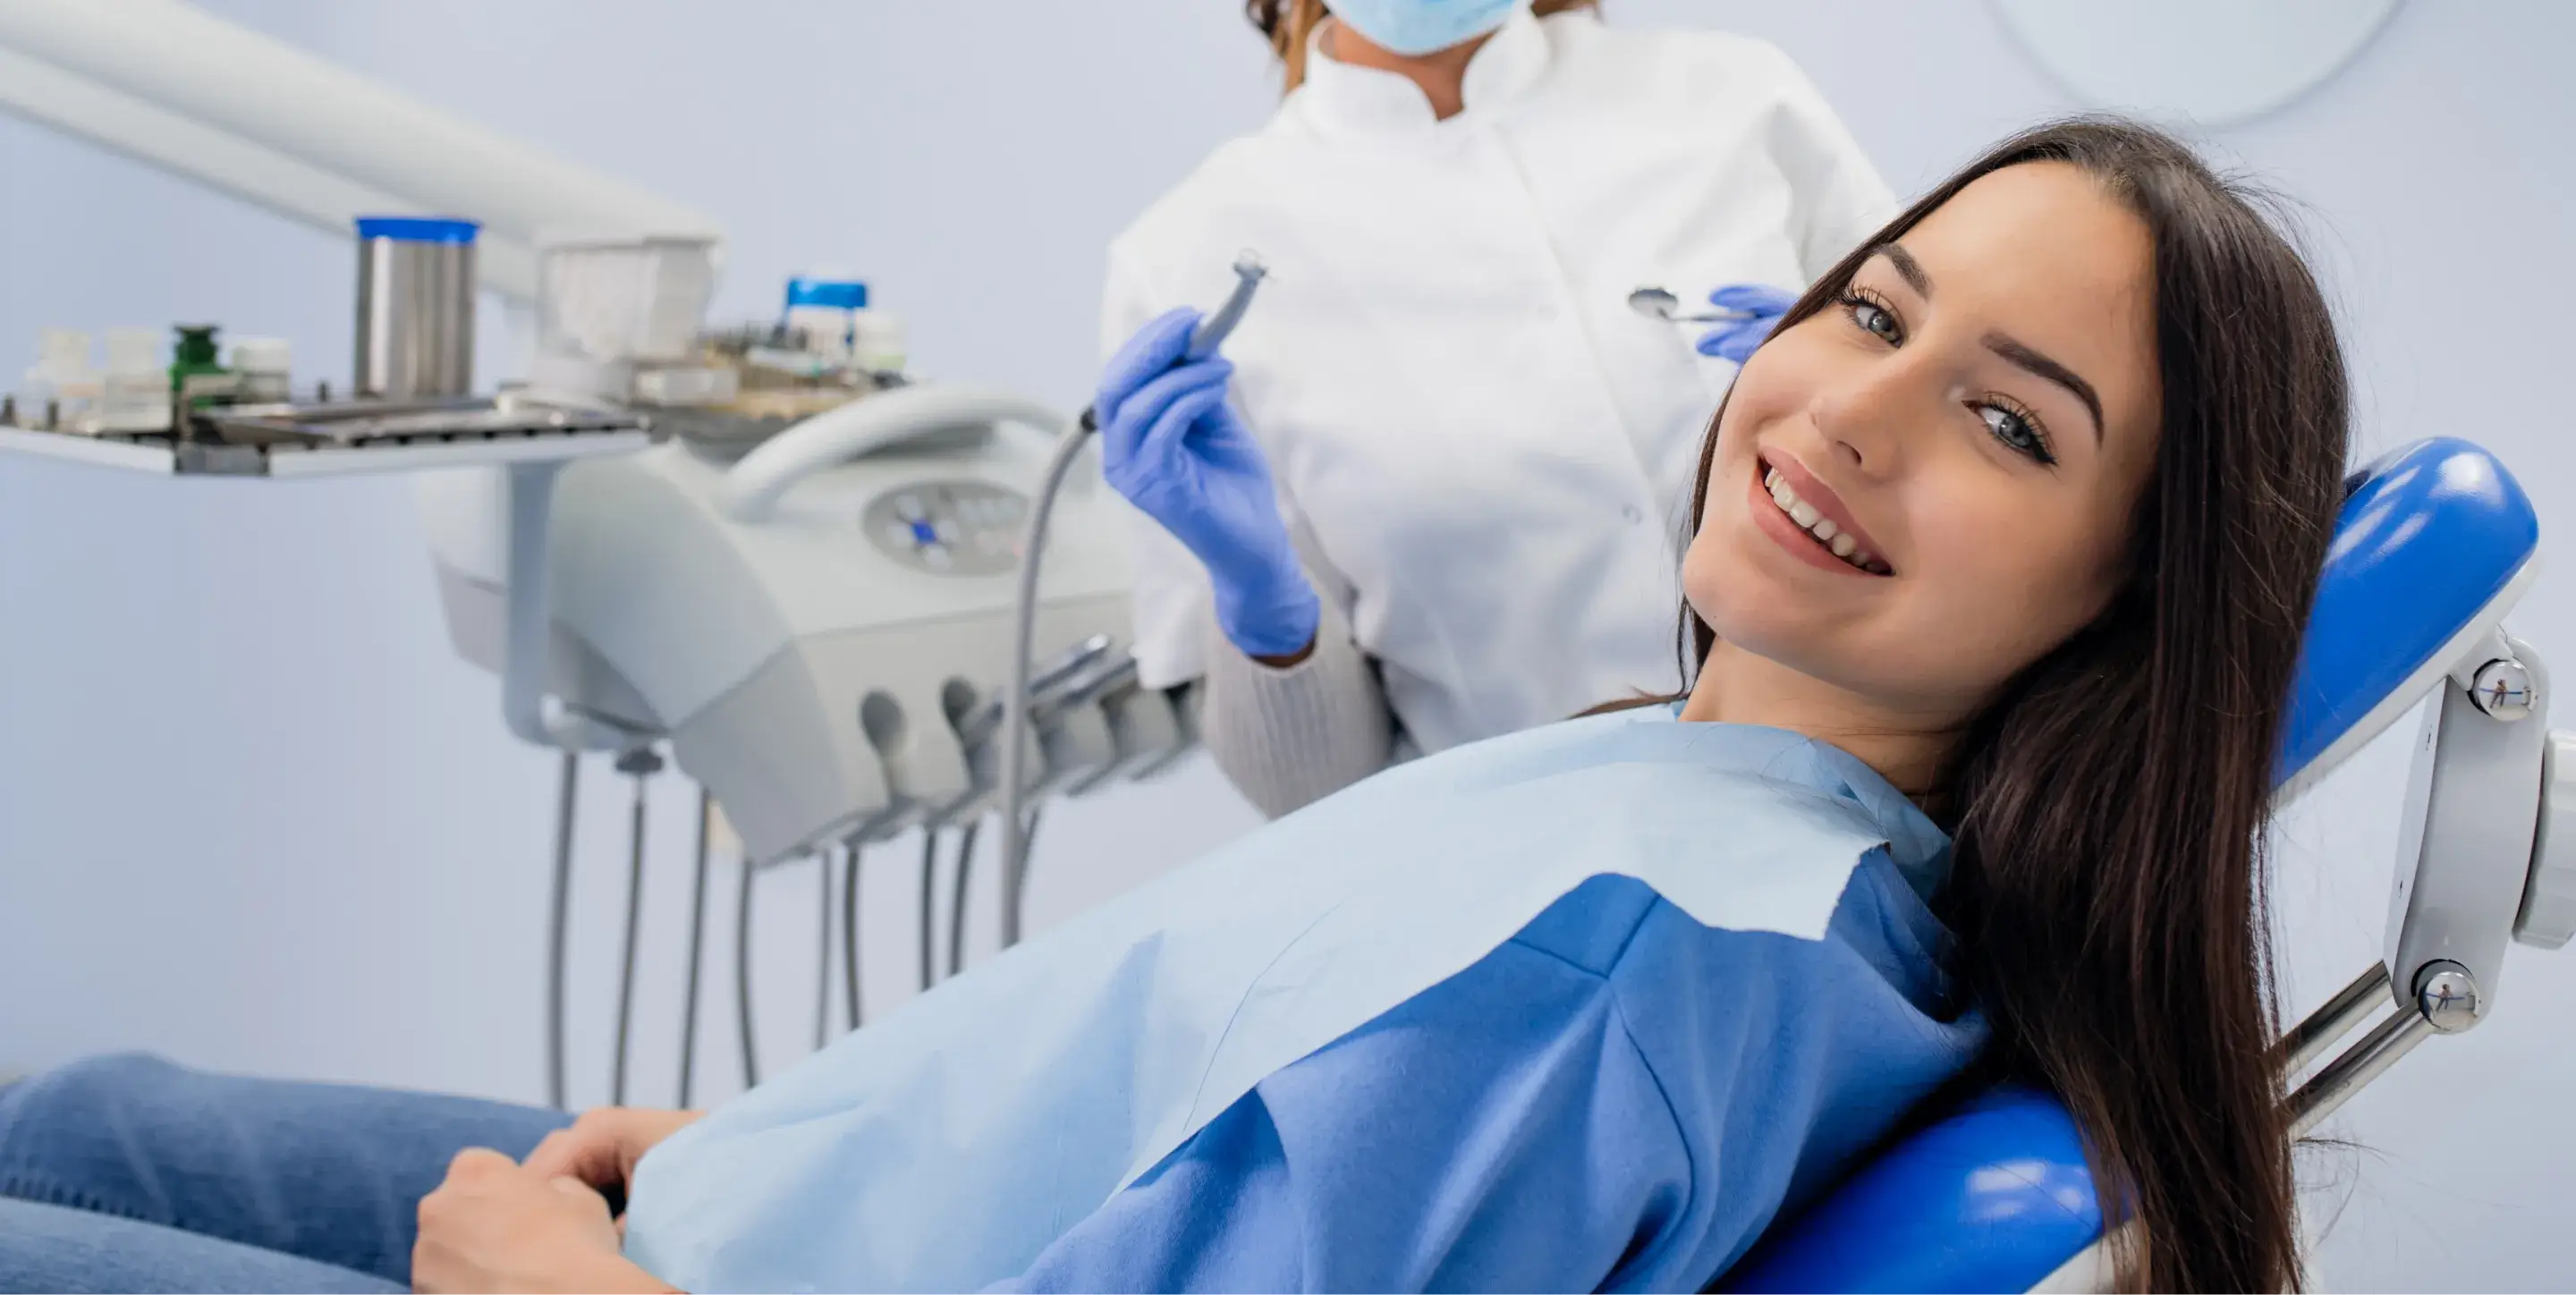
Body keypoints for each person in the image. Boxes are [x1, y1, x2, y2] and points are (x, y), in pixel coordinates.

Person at [0, 118, 2345, 1295]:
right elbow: (1205, 1071)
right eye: (1865, 310)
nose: (1851, 412)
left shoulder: (1627, 966)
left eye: (2014, 423)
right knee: (97, 1106)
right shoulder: (1717, 801)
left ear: (2128, 609)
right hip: (758, 1209)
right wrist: (789, 1147)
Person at [1099, 0, 1894, 816]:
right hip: (1538, 882)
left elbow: (1971, 469)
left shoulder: (1739, 97)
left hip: (1891, 803)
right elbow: (1316, 798)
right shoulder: (1182, 260)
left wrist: (1875, 401)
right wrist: (1262, 600)